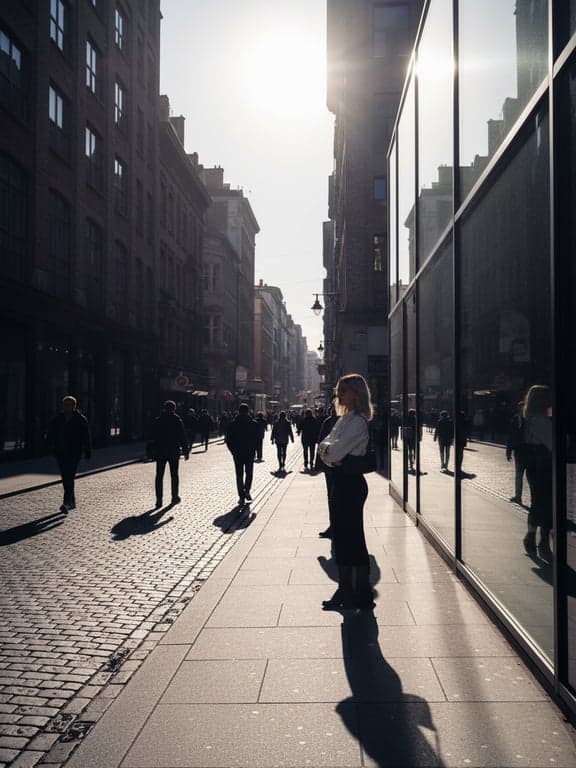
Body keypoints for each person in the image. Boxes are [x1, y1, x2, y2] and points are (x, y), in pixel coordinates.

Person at [317, 373, 373, 610]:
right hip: (341, 481)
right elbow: (323, 446)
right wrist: (328, 452)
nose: (339, 395)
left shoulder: (358, 421)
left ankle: (358, 593)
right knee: (341, 539)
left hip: (350, 483)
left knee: (352, 539)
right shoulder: (345, 418)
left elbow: (334, 452)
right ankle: (346, 590)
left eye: (344, 391)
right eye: (339, 391)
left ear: (356, 393)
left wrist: (329, 452)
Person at [522, 385, 553, 560]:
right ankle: (542, 541)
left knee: (538, 502)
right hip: (544, 466)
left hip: (534, 465)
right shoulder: (540, 420)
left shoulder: (529, 417)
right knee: (545, 503)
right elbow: (553, 443)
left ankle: (532, 536)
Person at [45, 395, 91, 513]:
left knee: (69, 476)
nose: (67, 407)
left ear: (74, 406)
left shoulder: (81, 419)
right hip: (61, 452)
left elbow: (86, 437)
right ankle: (72, 501)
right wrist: (49, 447)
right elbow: (51, 434)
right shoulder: (58, 419)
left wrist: (87, 451)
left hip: (74, 452)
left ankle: (66, 503)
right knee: (66, 477)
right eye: (65, 405)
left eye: (69, 405)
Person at [151, 400, 189, 508]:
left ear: (164, 408)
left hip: (160, 451)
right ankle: (174, 496)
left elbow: (152, 435)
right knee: (174, 475)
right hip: (173, 451)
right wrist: (186, 451)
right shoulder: (177, 420)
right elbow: (182, 436)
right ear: (174, 409)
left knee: (159, 475)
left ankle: (159, 500)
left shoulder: (158, 420)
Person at [225, 403, 259, 505]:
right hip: (249, 452)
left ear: (239, 412)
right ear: (248, 411)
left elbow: (228, 439)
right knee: (249, 473)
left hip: (238, 453)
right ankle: (247, 490)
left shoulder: (232, 424)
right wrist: (255, 450)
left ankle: (241, 496)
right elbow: (257, 440)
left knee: (239, 475)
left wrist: (232, 451)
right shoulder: (254, 424)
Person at [315, 401, 339, 539]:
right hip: (335, 465)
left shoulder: (330, 422)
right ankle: (335, 525)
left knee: (332, 496)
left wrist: (319, 464)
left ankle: (334, 525)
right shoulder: (338, 422)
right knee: (334, 496)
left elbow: (320, 443)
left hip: (331, 465)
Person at [506, 401, 527, 504]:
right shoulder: (515, 419)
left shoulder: (531, 419)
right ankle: (518, 496)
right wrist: (508, 451)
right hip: (520, 451)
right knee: (519, 475)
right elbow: (511, 435)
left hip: (529, 451)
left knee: (530, 476)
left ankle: (533, 499)